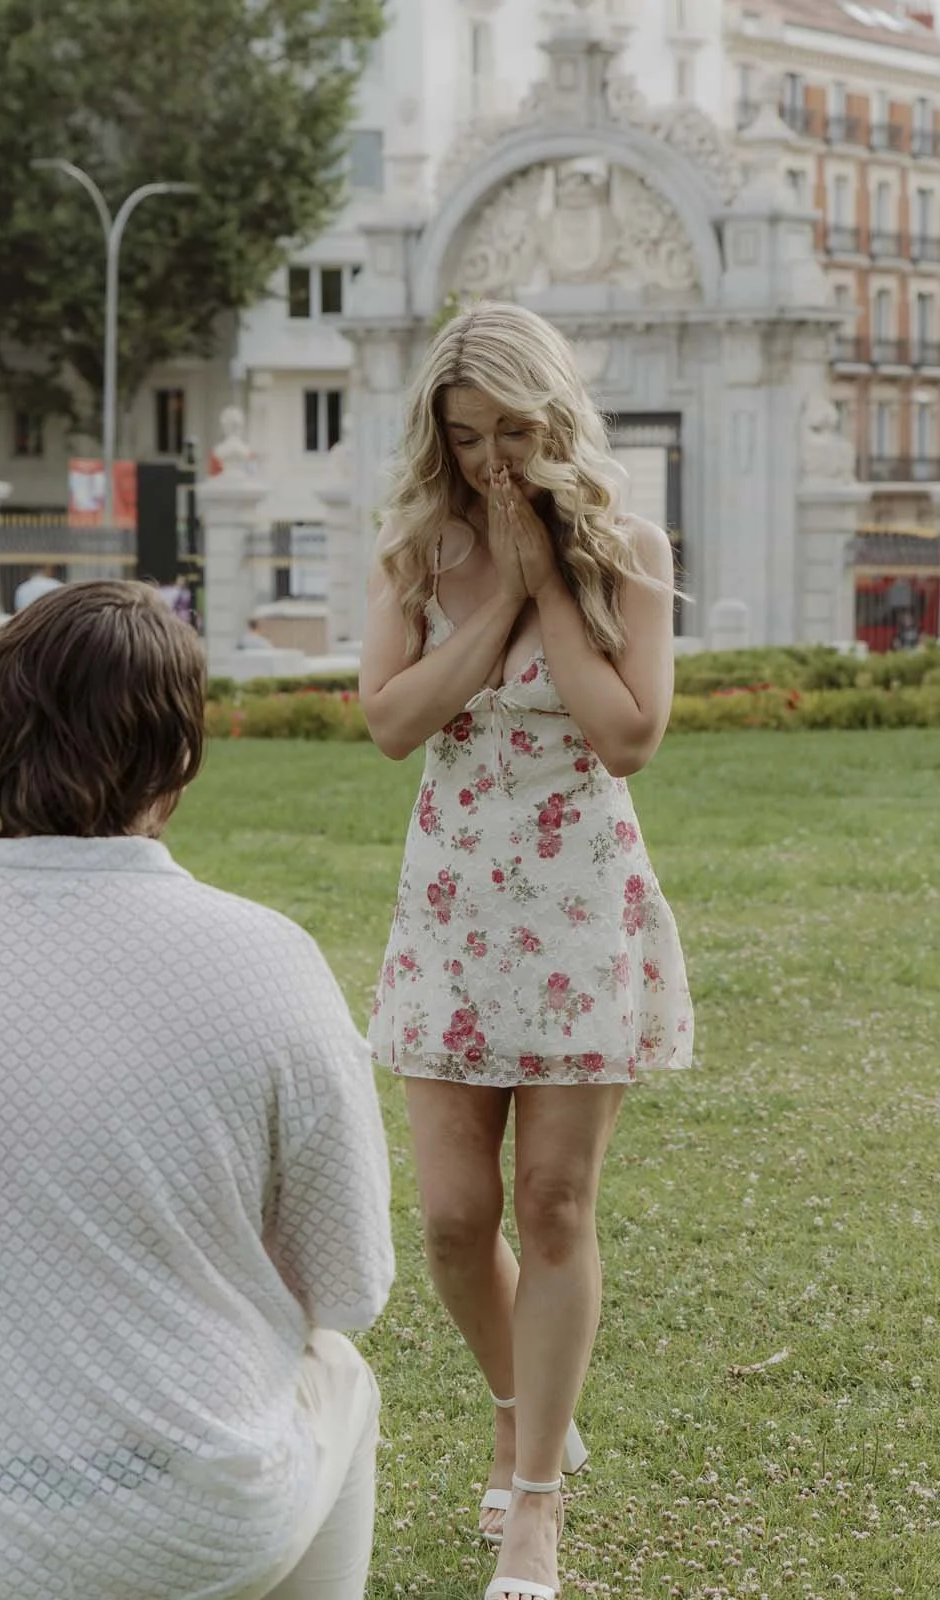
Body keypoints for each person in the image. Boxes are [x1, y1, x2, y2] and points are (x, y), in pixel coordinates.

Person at [0, 579, 395, 1600]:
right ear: (181, 755)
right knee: (342, 1377)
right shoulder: (263, 959)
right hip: (174, 1523)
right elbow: (349, 1288)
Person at [357, 302, 694, 1600]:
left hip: (573, 900)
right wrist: (493, 597)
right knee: (451, 1221)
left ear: (552, 420)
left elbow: (626, 735)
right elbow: (392, 721)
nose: (491, 457)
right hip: (453, 903)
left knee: (553, 1204)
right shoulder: (414, 553)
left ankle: (538, 1498)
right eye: (466, 434)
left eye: (511, 431)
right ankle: (516, 1403)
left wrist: (552, 580)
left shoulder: (631, 552)